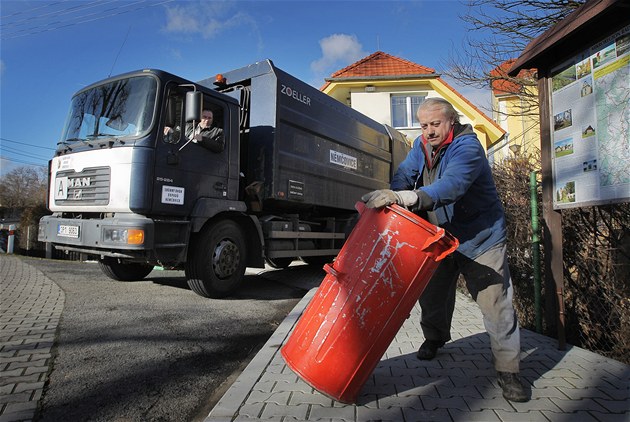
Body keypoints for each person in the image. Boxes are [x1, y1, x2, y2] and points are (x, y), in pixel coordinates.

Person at [361, 98, 529, 403]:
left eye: (435, 124)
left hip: (481, 239)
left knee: (495, 304)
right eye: (424, 125)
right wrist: (395, 193)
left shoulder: (468, 148)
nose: (428, 131)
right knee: (432, 295)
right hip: (439, 237)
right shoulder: (421, 146)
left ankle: (509, 370)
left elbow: (452, 185)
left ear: (451, 121)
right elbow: (404, 173)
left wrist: (405, 198)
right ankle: (434, 339)